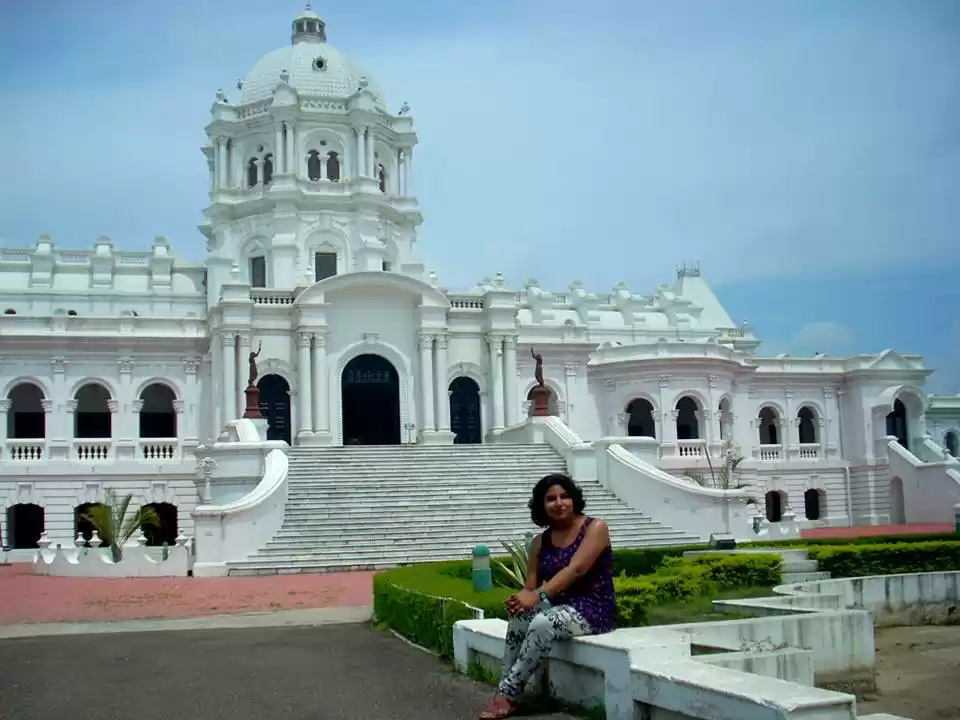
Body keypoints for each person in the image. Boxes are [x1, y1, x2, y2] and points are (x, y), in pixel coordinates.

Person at [478, 473, 615, 719]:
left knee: (543, 622)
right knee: (521, 617)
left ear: (574, 500)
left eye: (565, 496)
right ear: (542, 505)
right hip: (558, 606)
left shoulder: (595, 528)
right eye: (551, 499)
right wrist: (520, 599)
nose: (559, 503)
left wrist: (538, 595)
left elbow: (576, 569)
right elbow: (530, 584)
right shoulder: (540, 541)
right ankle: (505, 688)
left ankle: (507, 695)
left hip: (592, 608)